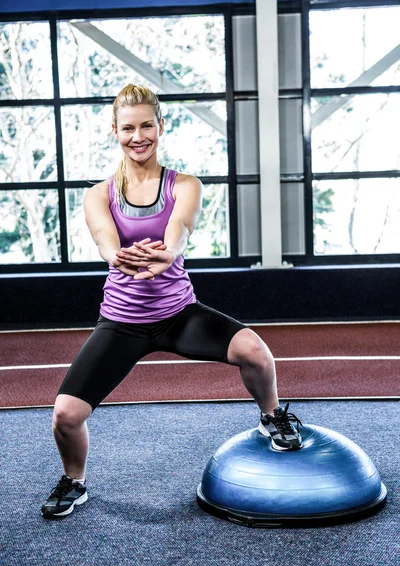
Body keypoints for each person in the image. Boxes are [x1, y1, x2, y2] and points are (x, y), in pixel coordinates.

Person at [41, 83, 303, 519]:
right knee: (65, 415)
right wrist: (117, 256)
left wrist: (170, 251)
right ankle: (75, 481)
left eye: (147, 125)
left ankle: (271, 415)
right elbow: (105, 238)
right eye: (128, 128)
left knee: (256, 352)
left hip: (178, 314)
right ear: (115, 131)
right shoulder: (97, 194)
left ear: (161, 127)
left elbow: (180, 226)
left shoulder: (184, 184)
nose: (138, 135)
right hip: (122, 323)